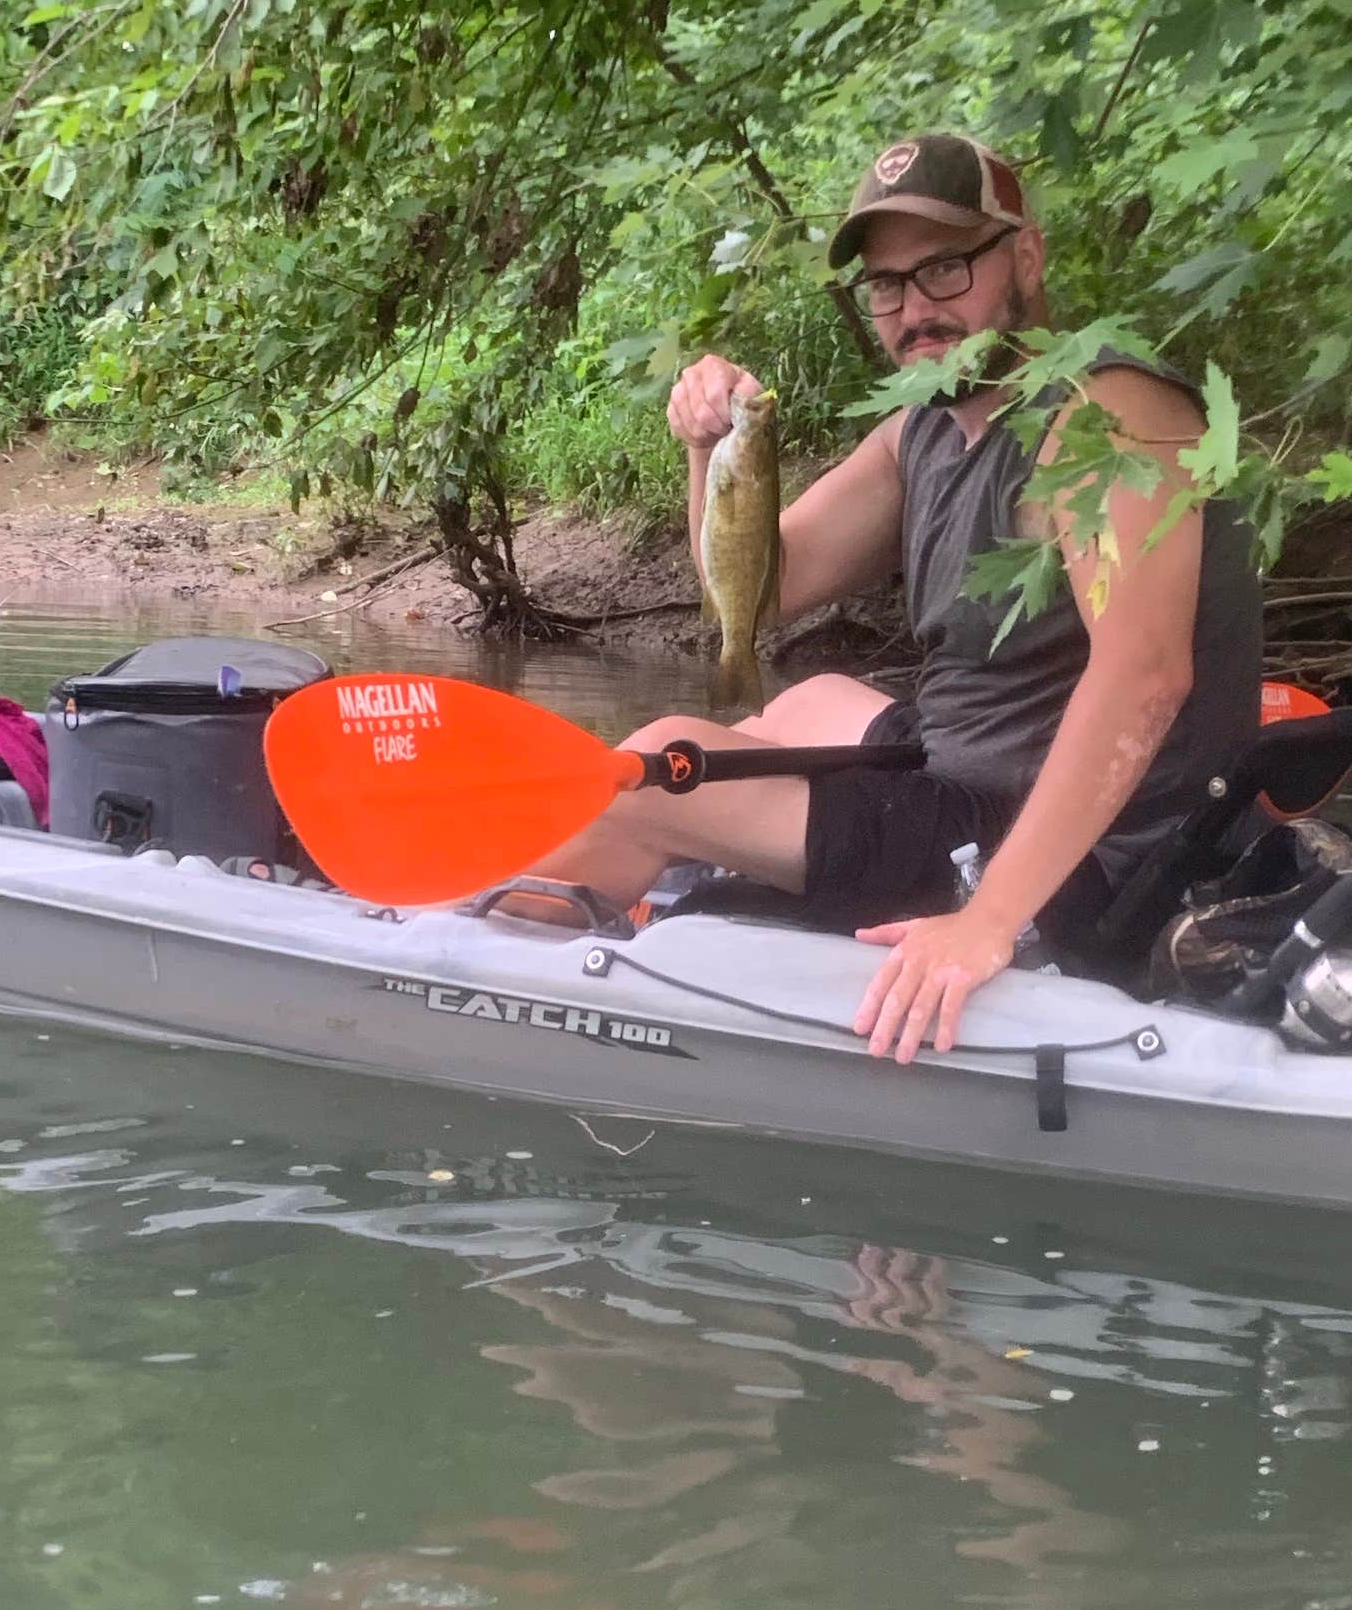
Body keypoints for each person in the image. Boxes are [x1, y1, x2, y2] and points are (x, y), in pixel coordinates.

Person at [517, 129, 1263, 1062]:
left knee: (649, 772)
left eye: (945, 269)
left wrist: (987, 921)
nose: (915, 309)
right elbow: (757, 590)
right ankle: (599, 882)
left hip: (1093, 863)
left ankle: (492, 953)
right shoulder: (925, 431)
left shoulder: (1108, 414)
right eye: (886, 285)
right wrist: (709, 447)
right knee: (804, 703)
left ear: (1026, 259)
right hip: (968, 778)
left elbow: (1145, 673)